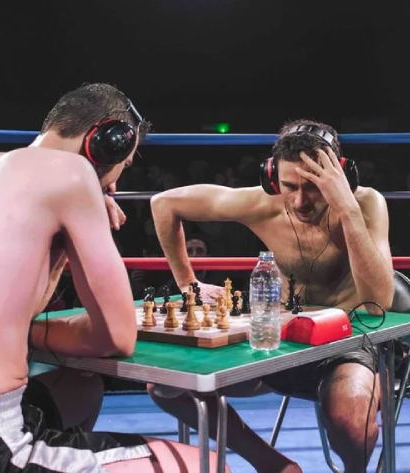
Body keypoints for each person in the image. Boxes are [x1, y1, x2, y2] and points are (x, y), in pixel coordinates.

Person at [0, 83, 226, 472]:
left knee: (79, 388)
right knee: (207, 464)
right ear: (106, 144)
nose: (115, 184)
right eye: (124, 163)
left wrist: (63, 244)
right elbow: (118, 337)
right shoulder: (72, 175)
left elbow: (24, 305)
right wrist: (39, 333)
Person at [148, 119, 394, 473]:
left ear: (341, 176)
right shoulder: (262, 203)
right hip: (280, 340)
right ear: (271, 176)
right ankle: (272, 464)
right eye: (289, 185)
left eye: (313, 187)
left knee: (349, 419)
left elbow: (379, 298)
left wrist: (347, 209)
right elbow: (163, 204)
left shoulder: (366, 204)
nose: (299, 200)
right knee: (165, 387)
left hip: (350, 339)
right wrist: (189, 283)